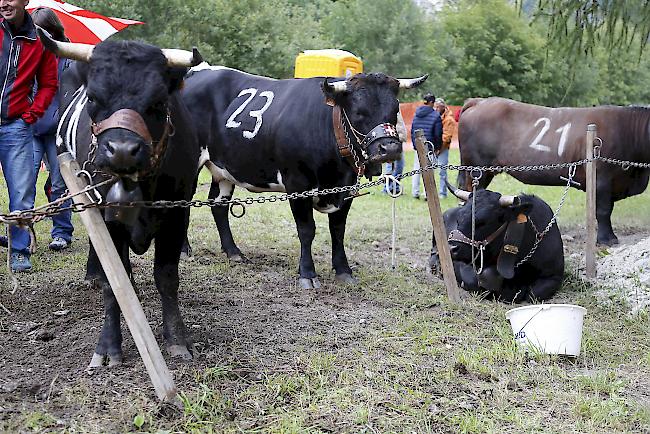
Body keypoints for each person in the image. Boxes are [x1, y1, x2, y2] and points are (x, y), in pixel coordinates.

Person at [0, 0, 58, 272]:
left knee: (22, 194)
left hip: (16, 126)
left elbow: (49, 84)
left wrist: (31, 114)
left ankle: (19, 252)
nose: (4, 3)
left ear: (25, 1)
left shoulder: (40, 39)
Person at [30, 7, 74, 251]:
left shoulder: (68, 59)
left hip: (58, 132)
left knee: (59, 184)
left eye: (42, 33)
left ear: (53, 32)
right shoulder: (24, 55)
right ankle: (20, 234)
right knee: (24, 182)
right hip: (30, 129)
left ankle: (61, 233)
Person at [410, 92, 442, 200]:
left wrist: (415, 145)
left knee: (416, 169)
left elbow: (412, 130)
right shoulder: (435, 115)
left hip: (418, 145)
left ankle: (415, 192)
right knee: (429, 170)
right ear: (432, 102)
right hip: (430, 145)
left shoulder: (417, 113)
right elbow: (438, 133)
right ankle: (426, 193)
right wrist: (437, 147)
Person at [434, 97, 457, 198]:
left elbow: (446, 138)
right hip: (434, 148)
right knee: (431, 171)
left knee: (442, 171)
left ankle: (443, 193)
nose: (436, 109)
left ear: (443, 107)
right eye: (435, 107)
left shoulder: (449, 120)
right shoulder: (435, 116)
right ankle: (432, 192)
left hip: (443, 149)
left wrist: (439, 149)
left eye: (438, 107)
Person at [382, 110, 407, 195]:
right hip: (392, 141)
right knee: (392, 167)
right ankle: (388, 188)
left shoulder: (395, 109)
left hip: (398, 140)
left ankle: (394, 187)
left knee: (398, 166)